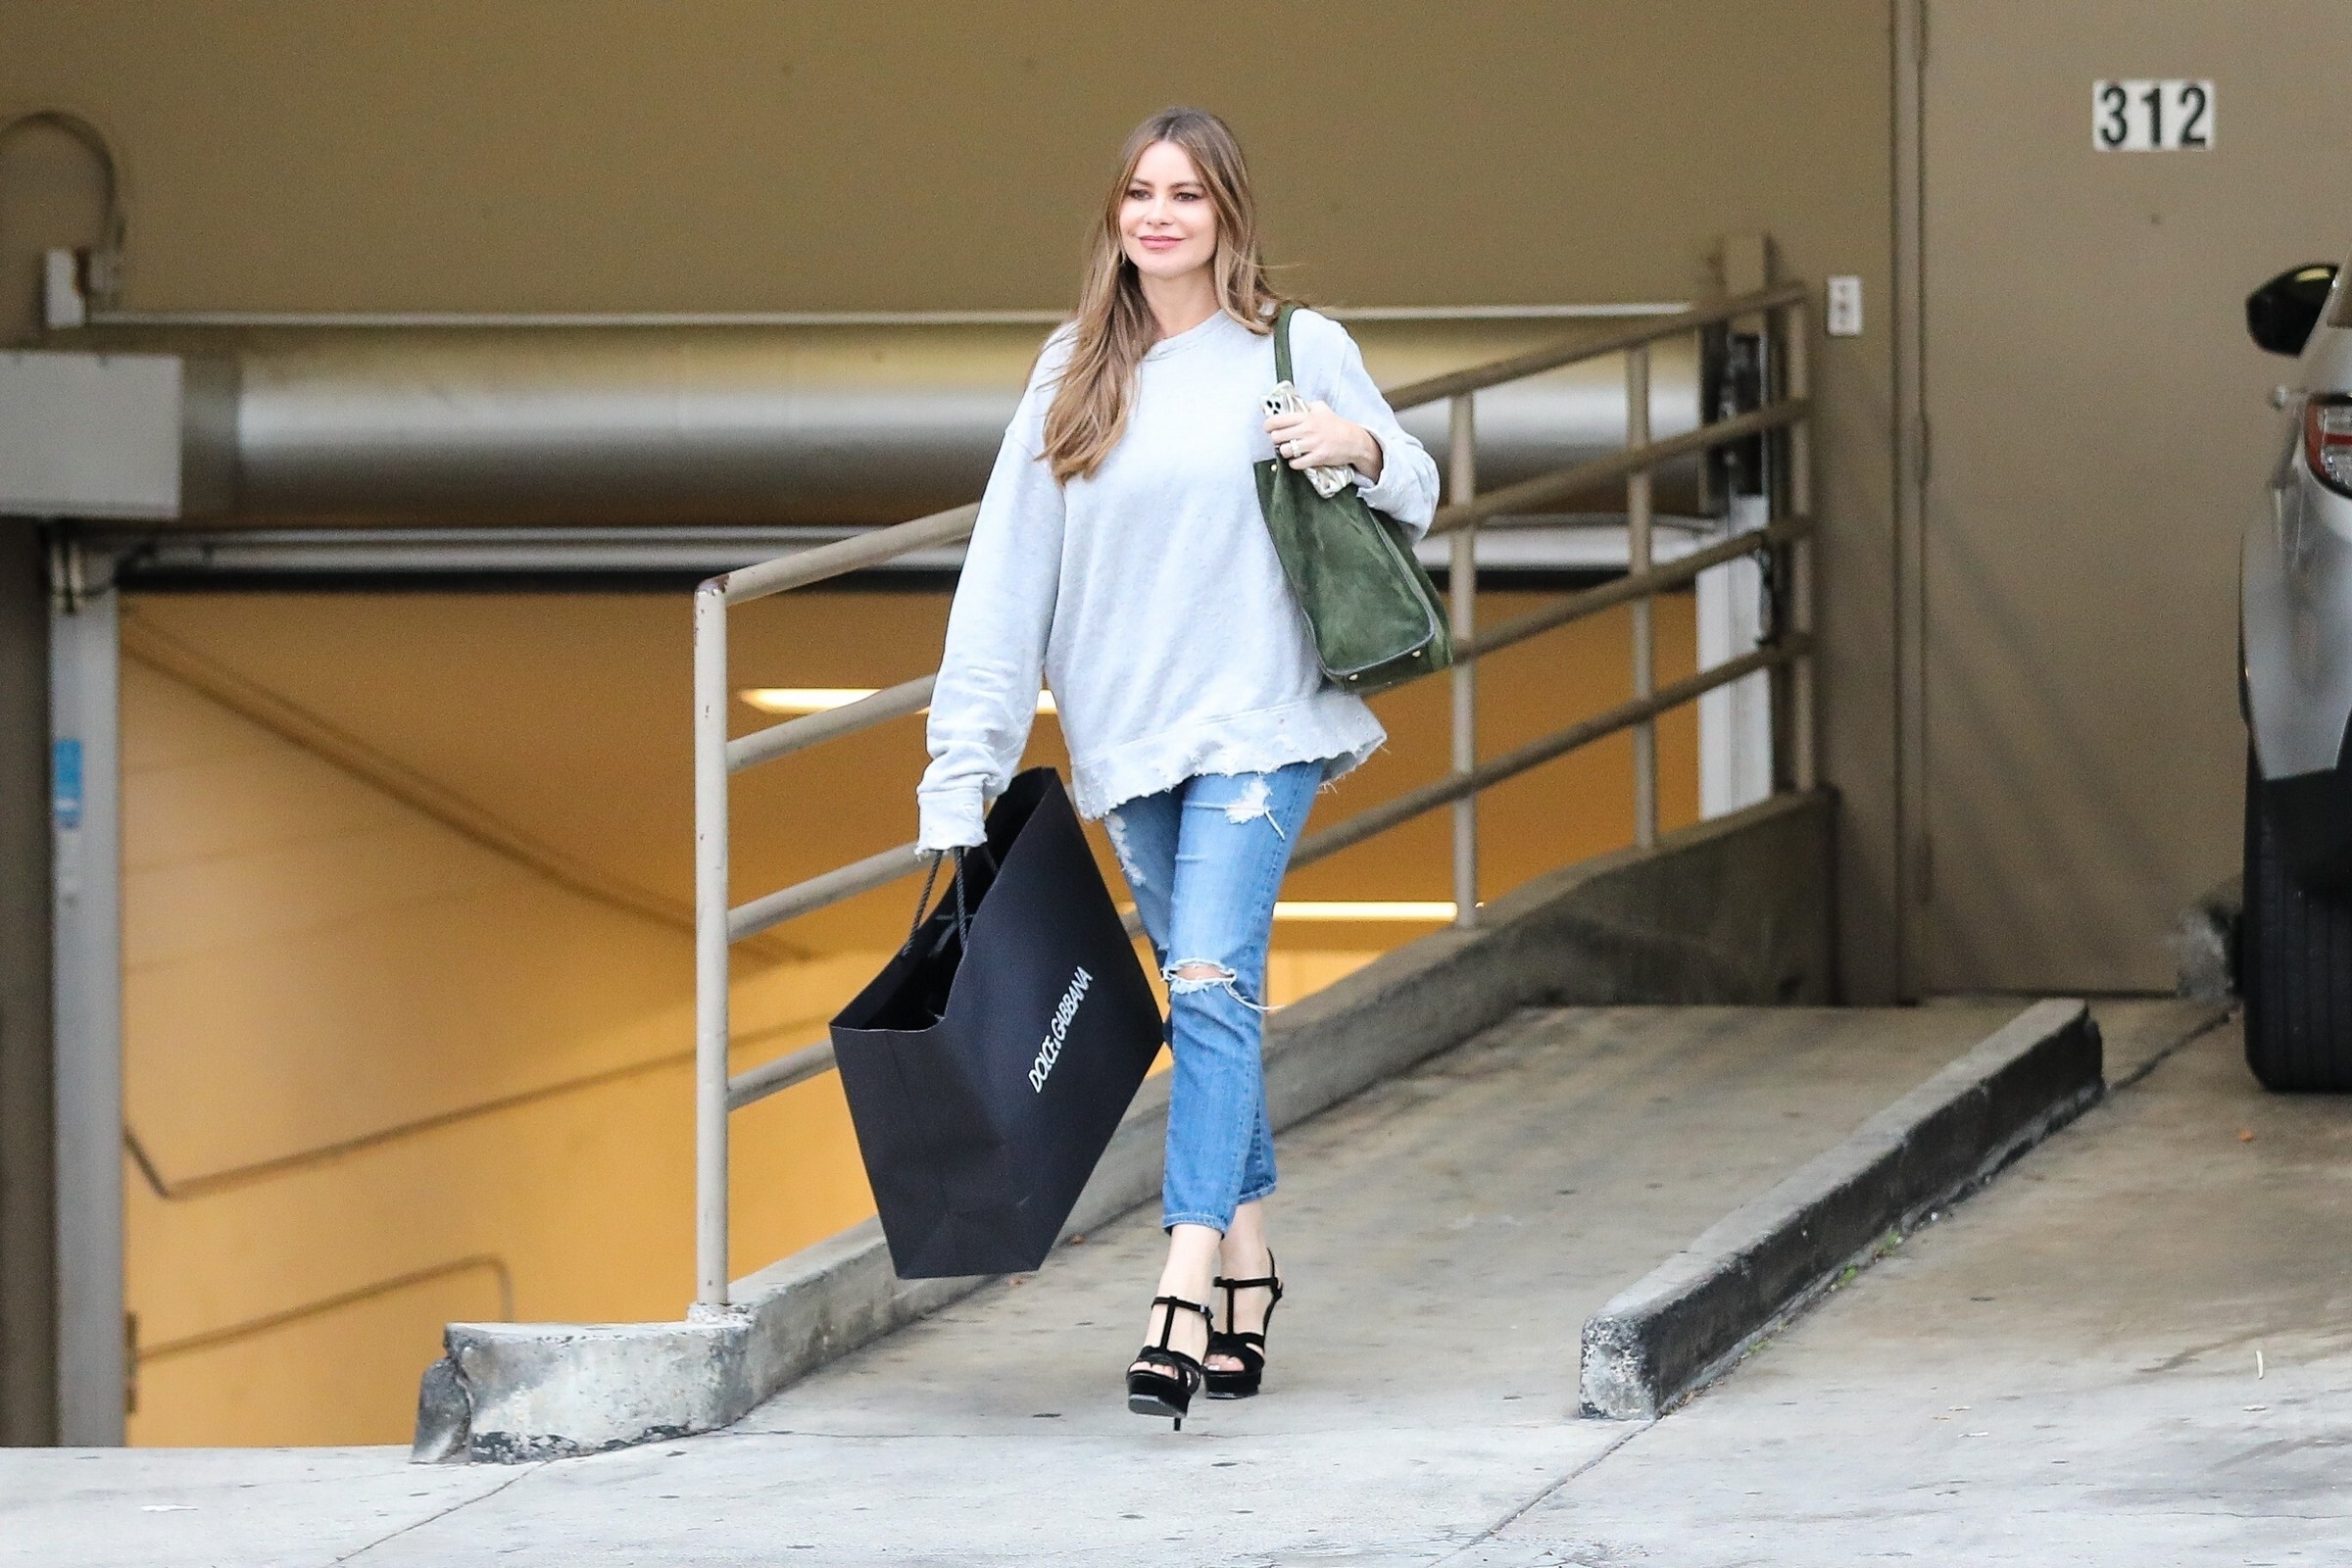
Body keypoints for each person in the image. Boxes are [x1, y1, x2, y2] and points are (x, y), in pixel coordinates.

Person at [914, 106, 1438, 1426]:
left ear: (1227, 215)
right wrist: (961, 767)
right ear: (1116, 214)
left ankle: (1181, 1288)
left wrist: (1359, 447)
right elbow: (1005, 579)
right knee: (1204, 994)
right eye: (1140, 193)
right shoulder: (1074, 369)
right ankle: (1253, 1268)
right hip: (1127, 734)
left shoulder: (1296, 348)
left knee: (1208, 980)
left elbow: (1420, 483)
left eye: (1187, 194)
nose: (1160, 215)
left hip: (1264, 718)